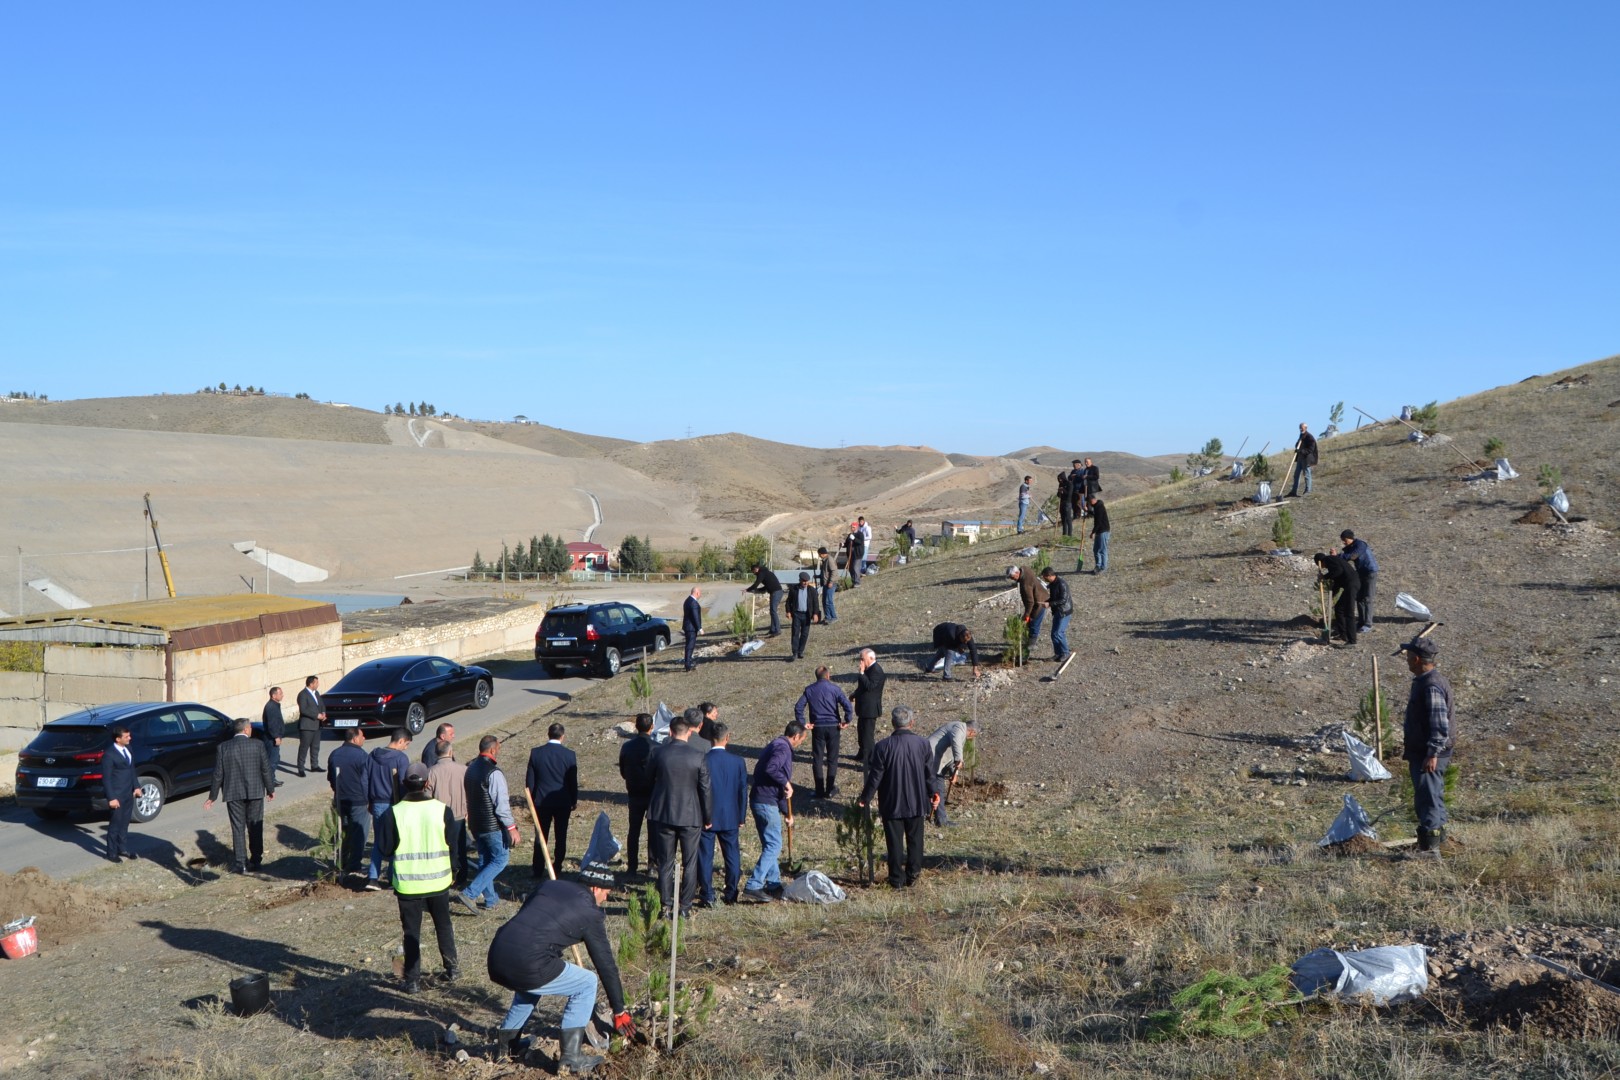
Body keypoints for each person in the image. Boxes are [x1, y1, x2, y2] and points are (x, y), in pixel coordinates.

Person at [486, 863, 636, 1070]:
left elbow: (530, 921)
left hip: (497, 955)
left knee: (530, 986)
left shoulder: (550, 886)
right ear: (595, 888)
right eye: (607, 893)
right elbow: (606, 964)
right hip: (528, 962)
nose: (606, 899)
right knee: (587, 982)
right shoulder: (590, 913)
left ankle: (507, 1047)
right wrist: (618, 1010)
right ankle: (571, 1058)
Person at [375, 762, 459, 992]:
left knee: (411, 932)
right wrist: (455, 870)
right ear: (427, 783)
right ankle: (452, 968)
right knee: (443, 925)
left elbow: (384, 848)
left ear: (404, 784)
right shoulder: (442, 810)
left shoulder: (395, 812)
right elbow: (453, 845)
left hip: (408, 884)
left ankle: (412, 981)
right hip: (439, 881)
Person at [858, 706, 938, 889]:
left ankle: (896, 879)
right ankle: (913, 875)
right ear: (911, 722)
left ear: (893, 723)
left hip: (892, 802)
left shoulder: (882, 746)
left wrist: (866, 797)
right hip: (917, 801)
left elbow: (875, 776)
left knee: (894, 843)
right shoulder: (923, 744)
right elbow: (929, 774)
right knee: (916, 841)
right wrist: (934, 793)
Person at [648, 713, 711, 918]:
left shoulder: (658, 753)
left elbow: (648, 780)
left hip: (663, 813)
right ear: (689, 733)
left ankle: (665, 906)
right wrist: (708, 816)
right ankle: (685, 906)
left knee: (665, 862)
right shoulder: (697, 755)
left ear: (671, 732)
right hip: (691, 815)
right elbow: (705, 789)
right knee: (689, 862)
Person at [1397, 636, 1455, 855]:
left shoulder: (1431, 686)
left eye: (1409, 656)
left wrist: (1432, 753)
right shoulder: (1428, 681)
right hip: (1428, 752)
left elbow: (1440, 725)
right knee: (1433, 795)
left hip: (1428, 754)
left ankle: (1429, 851)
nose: (1407, 659)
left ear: (1417, 658)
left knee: (1427, 797)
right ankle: (1439, 842)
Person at [743, 721, 806, 902]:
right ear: (795, 737)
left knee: (769, 843)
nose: (801, 743)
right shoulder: (782, 748)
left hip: (760, 799)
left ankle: (774, 884)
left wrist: (788, 813)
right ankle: (754, 885)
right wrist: (786, 782)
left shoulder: (774, 745)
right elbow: (772, 769)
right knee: (774, 845)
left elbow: (775, 784)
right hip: (765, 802)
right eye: (802, 739)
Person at [204, 716, 276, 874]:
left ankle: (241, 864)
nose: (251, 730)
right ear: (246, 729)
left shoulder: (223, 747)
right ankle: (256, 861)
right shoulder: (257, 745)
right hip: (255, 792)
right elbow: (266, 769)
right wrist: (270, 789)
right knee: (255, 826)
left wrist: (212, 796)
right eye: (250, 727)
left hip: (233, 793)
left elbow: (218, 774)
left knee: (238, 828)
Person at [459, 734, 519, 916]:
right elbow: (501, 805)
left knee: (485, 861)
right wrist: (512, 828)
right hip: (492, 825)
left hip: (476, 824)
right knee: (500, 859)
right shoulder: (494, 773)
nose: (498, 752)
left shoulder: (470, 769)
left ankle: (491, 899)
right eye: (498, 749)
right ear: (493, 749)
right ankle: (470, 893)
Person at [697, 723, 749, 908]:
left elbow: (699, 790)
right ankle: (731, 892)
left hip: (706, 817)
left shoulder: (702, 760)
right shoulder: (738, 761)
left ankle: (707, 893)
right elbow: (743, 791)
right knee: (732, 855)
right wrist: (741, 815)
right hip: (730, 816)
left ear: (711, 738)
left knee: (705, 856)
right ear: (728, 737)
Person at [526, 723, 578, 878]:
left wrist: (532, 800)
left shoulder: (536, 753)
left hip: (541, 801)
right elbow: (572, 781)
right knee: (561, 835)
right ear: (562, 736)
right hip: (562, 802)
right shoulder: (569, 755)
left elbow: (530, 781)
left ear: (548, 734)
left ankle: (537, 868)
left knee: (541, 835)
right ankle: (558, 865)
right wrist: (573, 800)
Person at [795, 664, 853, 798]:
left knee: (818, 759)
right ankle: (830, 788)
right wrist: (847, 720)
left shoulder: (809, 690)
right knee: (832, 759)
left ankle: (819, 790)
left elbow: (798, 707)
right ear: (828, 676)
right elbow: (847, 706)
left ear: (816, 677)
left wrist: (803, 723)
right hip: (834, 727)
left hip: (818, 728)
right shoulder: (835, 689)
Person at [364, 729, 412, 890]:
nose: (406, 748)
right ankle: (393, 877)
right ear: (400, 741)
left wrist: (368, 800)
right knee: (397, 840)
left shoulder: (372, 755)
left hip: (377, 803)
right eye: (406, 744)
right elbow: (404, 783)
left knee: (379, 840)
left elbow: (365, 779)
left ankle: (372, 877)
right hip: (394, 803)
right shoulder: (400, 758)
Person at [424, 738, 472, 890]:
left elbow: (426, 796)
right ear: (450, 752)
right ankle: (461, 876)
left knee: (442, 848)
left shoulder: (431, 772)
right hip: (459, 815)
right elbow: (469, 792)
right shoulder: (463, 769)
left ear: (437, 753)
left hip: (439, 817)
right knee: (460, 848)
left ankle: (445, 876)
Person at [327, 727, 372, 878]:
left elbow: (331, 778)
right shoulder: (361, 756)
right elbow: (366, 780)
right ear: (354, 738)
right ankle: (354, 865)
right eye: (362, 735)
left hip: (340, 799)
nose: (364, 738)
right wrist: (368, 799)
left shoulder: (334, 754)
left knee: (342, 832)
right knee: (359, 832)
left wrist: (337, 791)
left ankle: (341, 861)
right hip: (358, 801)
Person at [618, 712, 657, 878]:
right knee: (653, 831)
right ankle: (652, 865)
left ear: (635, 726)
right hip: (653, 794)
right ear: (652, 727)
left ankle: (632, 866)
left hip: (634, 793)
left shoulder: (627, 747)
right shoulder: (657, 747)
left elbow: (623, 771)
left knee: (633, 831)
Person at [926, 721, 974, 826]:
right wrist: (959, 759)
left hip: (935, 760)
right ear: (972, 732)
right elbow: (956, 743)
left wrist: (954, 774)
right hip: (931, 759)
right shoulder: (960, 727)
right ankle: (941, 821)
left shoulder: (958, 730)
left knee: (933, 789)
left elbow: (952, 756)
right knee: (938, 790)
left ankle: (928, 814)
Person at [103, 723, 138, 861]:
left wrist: (136, 786)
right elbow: (106, 779)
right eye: (126, 736)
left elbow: (132, 770)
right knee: (115, 825)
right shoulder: (109, 755)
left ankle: (122, 848)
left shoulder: (128, 748)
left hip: (128, 794)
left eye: (129, 735)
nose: (130, 738)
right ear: (118, 739)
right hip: (117, 796)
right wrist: (111, 797)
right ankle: (111, 853)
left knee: (124, 823)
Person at [1313, 552, 1361, 646]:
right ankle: (1342, 634)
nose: (1323, 568)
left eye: (1321, 565)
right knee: (1339, 608)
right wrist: (1332, 595)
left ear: (1320, 562)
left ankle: (1352, 641)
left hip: (1351, 585)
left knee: (1349, 613)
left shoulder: (1329, 559)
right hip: (1350, 585)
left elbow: (1337, 571)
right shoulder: (1333, 561)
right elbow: (1338, 580)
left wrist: (1324, 577)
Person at [852, 647, 886, 766]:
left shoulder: (877, 671)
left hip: (870, 709)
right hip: (863, 707)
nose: (861, 662)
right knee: (861, 732)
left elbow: (870, 686)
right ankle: (862, 753)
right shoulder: (868, 669)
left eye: (863, 659)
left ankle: (871, 759)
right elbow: (862, 687)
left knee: (867, 735)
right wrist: (854, 695)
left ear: (871, 658)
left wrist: (861, 673)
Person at [1340, 530, 1379, 633]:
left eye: (1345, 540)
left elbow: (1352, 556)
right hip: (1361, 573)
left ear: (1350, 538)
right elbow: (1346, 556)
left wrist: (1341, 556)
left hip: (1370, 572)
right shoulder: (1352, 547)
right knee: (1360, 598)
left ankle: (1368, 624)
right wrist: (1336, 556)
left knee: (1368, 598)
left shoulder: (1360, 544)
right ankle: (1361, 622)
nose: (1344, 542)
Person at [785, 570, 821, 661]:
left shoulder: (812, 590)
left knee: (805, 634)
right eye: (803, 581)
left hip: (807, 615)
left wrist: (815, 614)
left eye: (807, 581)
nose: (805, 583)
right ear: (800, 580)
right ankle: (795, 652)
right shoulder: (793, 589)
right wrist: (788, 611)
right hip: (797, 614)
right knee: (795, 633)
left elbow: (816, 603)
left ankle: (801, 651)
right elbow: (788, 601)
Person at [1040, 566, 1074, 661]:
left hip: (1064, 611)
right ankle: (1058, 653)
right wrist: (1046, 601)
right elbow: (1054, 597)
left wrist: (1049, 604)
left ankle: (1065, 653)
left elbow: (1063, 600)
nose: (1044, 579)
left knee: (1059, 633)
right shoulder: (1053, 584)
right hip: (1057, 611)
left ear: (1050, 575)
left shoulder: (1062, 584)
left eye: (1045, 577)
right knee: (1054, 634)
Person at [1008, 565, 1049, 644]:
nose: (1012, 579)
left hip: (1040, 602)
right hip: (1041, 595)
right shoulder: (1024, 569)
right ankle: (1028, 640)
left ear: (1017, 573)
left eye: (1013, 577)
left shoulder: (1025, 585)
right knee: (1031, 622)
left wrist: (1026, 615)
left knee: (1034, 623)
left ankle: (1032, 645)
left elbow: (1030, 602)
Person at [295, 674, 325, 775]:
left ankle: (314, 765)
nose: (318, 684)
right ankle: (301, 768)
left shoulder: (316, 693)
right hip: (307, 726)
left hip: (317, 725)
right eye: (316, 682)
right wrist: (317, 715)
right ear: (311, 683)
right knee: (304, 747)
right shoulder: (303, 694)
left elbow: (321, 704)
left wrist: (323, 713)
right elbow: (303, 710)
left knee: (315, 746)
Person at [746, 562, 784, 637]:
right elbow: (766, 587)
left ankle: (777, 630)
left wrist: (747, 590)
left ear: (756, 569)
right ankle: (772, 630)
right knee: (772, 611)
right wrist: (756, 590)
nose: (754, 574)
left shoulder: (762, 573)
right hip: (774, 592)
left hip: (776, 592)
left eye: (753, 571)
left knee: (773, 611)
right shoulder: (765, 573)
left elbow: (756, 584)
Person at [260, 687, 286, 785]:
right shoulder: (271, 707)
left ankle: (271, 778)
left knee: (274, 758)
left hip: (273, 737)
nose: (282, 695)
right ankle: (269, 781)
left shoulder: (274, 705)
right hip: (271, 738)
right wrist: (276, 736)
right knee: (272, 759)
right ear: (274, 695)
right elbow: (272, 724)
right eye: (280, 693)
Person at [1288, 422, 1318, 497]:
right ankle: (1293, 492)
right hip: (1300, 458)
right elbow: (1298, 444)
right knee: (1296, 475)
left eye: (1302, 427)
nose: (1300, 429)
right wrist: (1297, 447)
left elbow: (1311, 449)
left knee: (1307, 474)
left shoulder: (1309, 437)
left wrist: (1301, 451)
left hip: (1306, 458)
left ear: (1305, 428)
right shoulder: (1301, 435)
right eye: (1300, 427)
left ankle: (1308, 491)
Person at [682, 586, 702, 672]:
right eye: (700, 593)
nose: (700, 594)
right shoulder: (693, 602)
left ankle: (688, 662)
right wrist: (700, 628)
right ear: (696, 593)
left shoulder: (687, 600)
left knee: (688, 646)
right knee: (690, 646)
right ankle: (688, 665)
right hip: (691, 628)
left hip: (687, 627)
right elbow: (695, 616)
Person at [1088, 495, 1111, 574]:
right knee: (1096, 550)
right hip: (1099, 531)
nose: (1090, 504)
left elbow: (1099, 522)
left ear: (1094, 500)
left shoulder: (1100, 507)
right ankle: (1098, 566)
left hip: (1103, 531)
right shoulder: (1096, 507)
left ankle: (1103, 567)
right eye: (1089, 502)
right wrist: (1087, 511)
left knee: (1102, 550)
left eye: (1090, 502)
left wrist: (1093, 532)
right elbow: (1095, 515)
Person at [816, 547, 838, 622]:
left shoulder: (829, 560)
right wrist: (818, 576)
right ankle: (827, 617)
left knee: (829, 601)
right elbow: (825, 572)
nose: (818, 555)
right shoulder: (824, 560)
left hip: (830, 584)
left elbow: (834, 571)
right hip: (825, 584)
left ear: (821, 554)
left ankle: (833, 617)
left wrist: (831, 582)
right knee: (824, 601)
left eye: (819, 554)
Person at [844, 523, 865, 587]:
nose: (852, 528)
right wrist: (843, 544)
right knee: (851, 569)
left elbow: (860, 542)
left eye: (853, 527)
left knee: (856, 568)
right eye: (851, 527)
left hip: (857, 554)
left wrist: (854, 539)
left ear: (856, 527)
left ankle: (857, 582)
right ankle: (853, 582)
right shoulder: (850, 535)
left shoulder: (860, 534)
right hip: (851, 555)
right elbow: (847, 543)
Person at [1056, 468, 1074, 537]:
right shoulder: (1060, 484)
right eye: (1058, 479)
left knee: (1068, 519)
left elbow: (1069, 494)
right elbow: (1058, 495)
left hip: (1067, 503)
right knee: (1063, 519)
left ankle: (1070, 535)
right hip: (1062, 503)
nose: (1059, 480)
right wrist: (1059, 492)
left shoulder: (1069, 484)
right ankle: (1064, 534)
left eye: (1060, 479)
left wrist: (1063, 490)